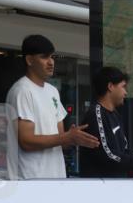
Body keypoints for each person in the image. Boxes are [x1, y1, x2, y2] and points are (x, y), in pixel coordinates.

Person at [6, 35, 98, 180]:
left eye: (52, 57)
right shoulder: (22, 90)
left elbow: (60, 139)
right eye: (44, 57)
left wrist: (75, 138)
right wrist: (66, 137)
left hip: (56, 177)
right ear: (29, 60)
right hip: (30, 180)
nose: (51, 62)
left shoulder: (53, 91)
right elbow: (26, 141)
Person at [79, 67, 133, 178]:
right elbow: (107, 154)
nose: (126, 93)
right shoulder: (96, 114)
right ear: (110, 86)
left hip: (117, 185)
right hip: (99, 188)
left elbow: (122, 150)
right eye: (123, 87)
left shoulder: (114, 114)